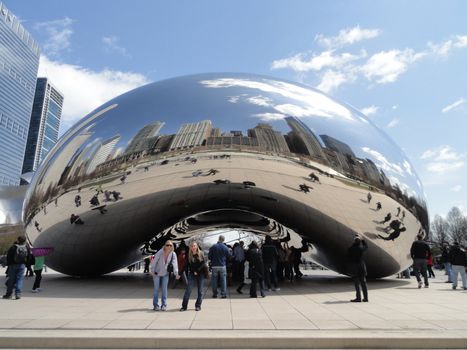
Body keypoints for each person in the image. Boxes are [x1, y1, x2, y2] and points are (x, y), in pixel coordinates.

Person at [151, 240, 179, 311]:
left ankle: (164, 305)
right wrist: (152, 270)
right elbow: (154, 261)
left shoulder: (173, 254)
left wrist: (176, 273)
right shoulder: (160, 252)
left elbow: (175, 264)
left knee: (164, 290)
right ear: (165, 246)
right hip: (157, 273)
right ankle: (155, 305)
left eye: (170, 245)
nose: (169, 246)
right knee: (156, 289)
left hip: (165, 274)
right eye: (167, 245)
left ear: (172, 246)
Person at [180, 242, 207, 311]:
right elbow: (186, 265)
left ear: (197, 246)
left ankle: (198, 306)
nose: (193, 247)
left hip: (200, 274)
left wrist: (197, 271)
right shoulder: (188, 255)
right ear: (190, 247)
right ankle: (184, 306)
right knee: (188, 290)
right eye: (192, 246)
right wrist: (180, 273)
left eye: (194, 246)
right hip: (192, 274)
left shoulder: (201, 253)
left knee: (200, 291)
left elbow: (203, 263)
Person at [347, 236, 368, 302]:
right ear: (359, 242)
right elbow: (366, 246)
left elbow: (348, 256)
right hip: (361, 267)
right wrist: (363, 240)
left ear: (354, 241)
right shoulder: (361, 248)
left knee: (357, 284)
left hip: (354, 267)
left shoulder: (351, 248)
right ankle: (366, 298)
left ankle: (358, 298)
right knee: (363, 283)